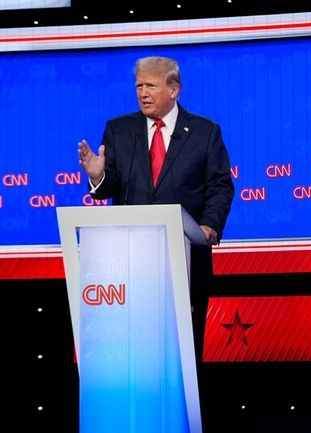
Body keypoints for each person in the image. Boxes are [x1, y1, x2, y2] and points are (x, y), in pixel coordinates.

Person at [77, 56, 235, 368]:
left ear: (174, 89)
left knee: (184, 356)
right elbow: (109, 188)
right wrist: (97, 176)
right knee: (133, 354)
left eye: (151, 85)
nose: (142, 93)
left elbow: (220, 186)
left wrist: (208, 226)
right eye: (139, 86)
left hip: (186, 259)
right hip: (128, 263)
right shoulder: (120, 130)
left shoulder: (205, 132)